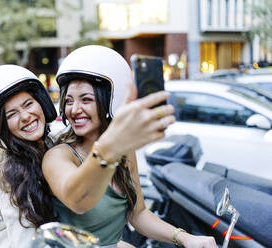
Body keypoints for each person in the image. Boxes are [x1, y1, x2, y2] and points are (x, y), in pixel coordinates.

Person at [42, 45, 217, 248]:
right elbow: (78, 200)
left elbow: (138, 214)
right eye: (69, 101)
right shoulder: (58, 156)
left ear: (111, 101)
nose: (74, 109)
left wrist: (186, 238)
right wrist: (112, 145)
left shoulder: (124, 153)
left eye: (86, 100)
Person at [0, 64, 58, 247]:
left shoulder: (53, 143)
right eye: (12, 114)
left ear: (41, 102)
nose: (26, 116)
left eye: (28, 104)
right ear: (1, 127)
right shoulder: (13, 176)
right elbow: (25, 243)